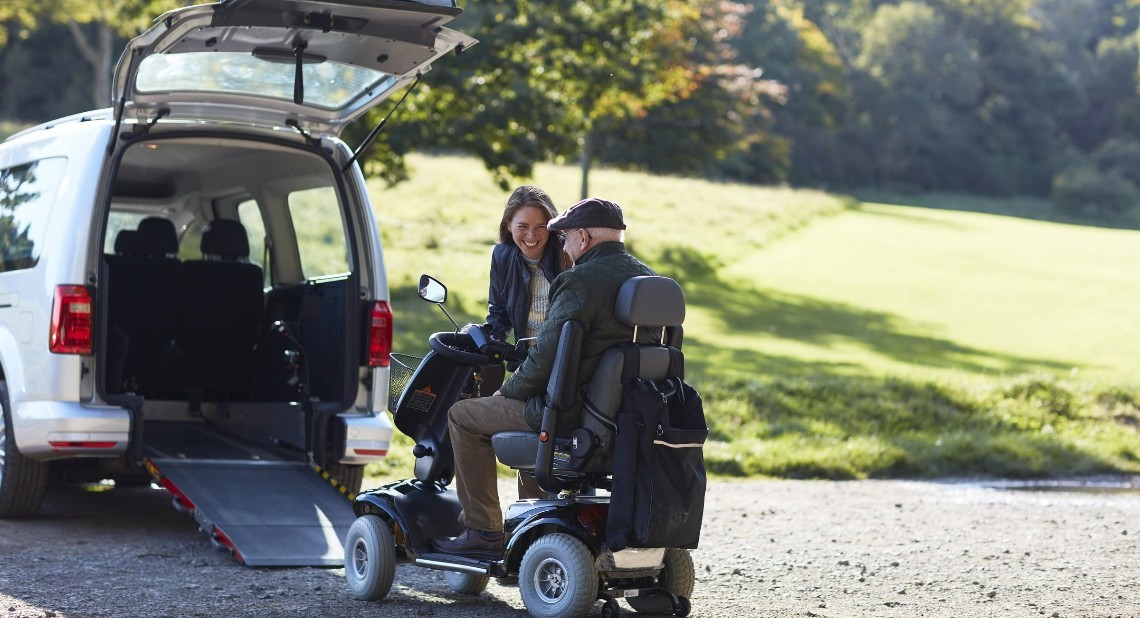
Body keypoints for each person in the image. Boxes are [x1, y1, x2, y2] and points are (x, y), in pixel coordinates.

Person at [433, 197, 657, 558]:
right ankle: (531, 526)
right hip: (628, 413)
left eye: (564, 236)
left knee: (463, 416)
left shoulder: (578, 280)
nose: (562, 245)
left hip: (572, 409)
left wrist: (505, 392)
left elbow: (546, 357)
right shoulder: (647, 278)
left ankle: (483, 530)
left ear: (582, 237)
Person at [479, 185, 565, 394]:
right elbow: (499, 313)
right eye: (523, 226)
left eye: (540, 227)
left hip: (562, 365)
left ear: (552, 226)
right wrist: (485, 339)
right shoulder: (502, 255)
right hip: (526, 365)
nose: (531, 235)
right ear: (508, 225)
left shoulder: (567, 254)